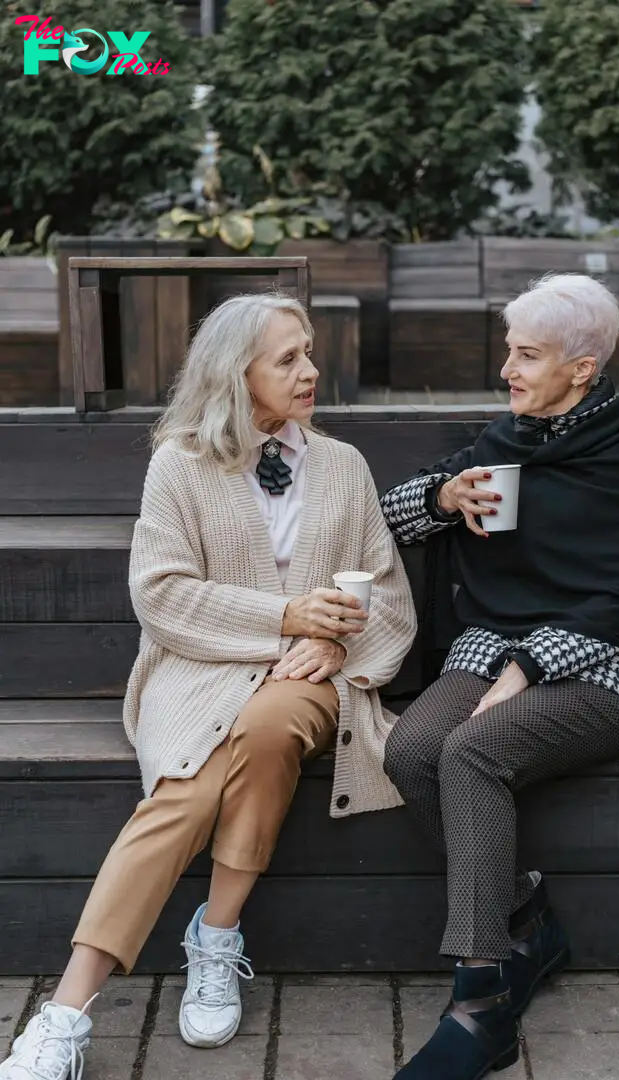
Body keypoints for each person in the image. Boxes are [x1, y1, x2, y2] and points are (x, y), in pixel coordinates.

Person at [1, 293, 416, 1080]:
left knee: (268, 728)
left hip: (309, 679)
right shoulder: (180, 464)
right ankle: (65, 1013)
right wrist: (285, 614)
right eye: (288, 358)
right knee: (183, 795)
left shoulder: (344, 466)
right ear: (237, 374)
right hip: (196, 671)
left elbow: (389, 597)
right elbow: (160, 594)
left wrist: (336, 648)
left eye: (308, 353)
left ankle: (217, 934)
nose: (310, 370)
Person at [380, 273, 619, 1079]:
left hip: (609, 662)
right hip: (494, 645)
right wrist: (443, 497)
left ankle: (481, 1002)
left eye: (526, 355)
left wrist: (528, 665)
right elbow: (388, 516)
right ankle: (527, 920)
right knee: (411, 751)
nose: (507, 369)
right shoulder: (502, 441)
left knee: (471, 752)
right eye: (508, 350)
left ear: (581, 368)